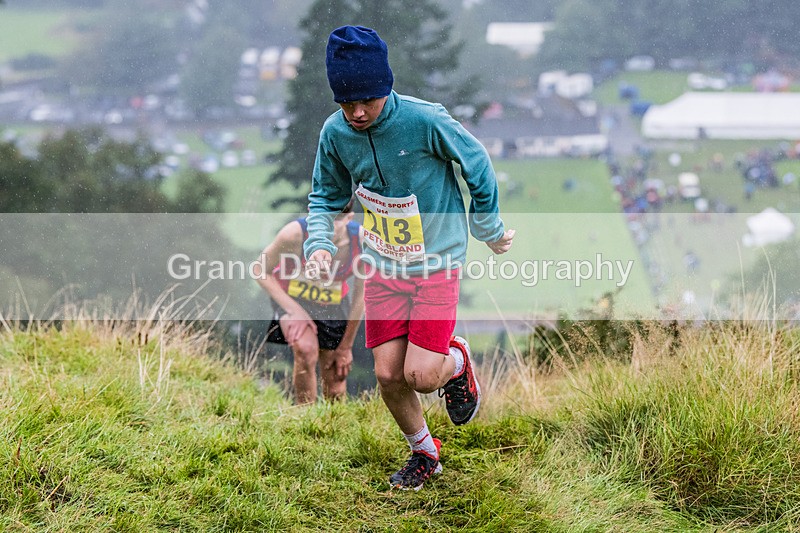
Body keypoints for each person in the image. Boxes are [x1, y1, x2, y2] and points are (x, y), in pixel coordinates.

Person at [303, 25, 514, 490]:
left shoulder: (425, 120)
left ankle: (457, 361)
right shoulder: (335, 133)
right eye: (347, 103)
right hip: (383, 266)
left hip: (436, 263)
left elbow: (477, 164)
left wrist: (487, 228)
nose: (358, 113)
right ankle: (425, 454)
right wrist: (318, 245)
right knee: (387, 374)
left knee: (420, 375)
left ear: (387, 85)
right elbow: (325, 198)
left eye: (368, 101)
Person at [255, 199, 364, 404]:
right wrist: (294, 310)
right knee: (305, 351)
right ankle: (305, 415)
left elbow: (361, 296)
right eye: (323, 219)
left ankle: (333, 420)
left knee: (335, 377)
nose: (328, 227)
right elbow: (259, 270)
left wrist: (345, 347)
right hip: (293, 299)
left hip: (333, 305)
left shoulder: (361, 241)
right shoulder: (293, 234)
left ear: (349, 218)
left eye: (336, 220)